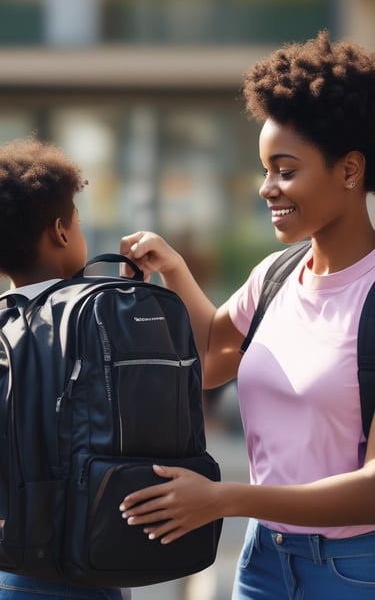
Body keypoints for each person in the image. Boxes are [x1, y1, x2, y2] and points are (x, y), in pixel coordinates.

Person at [119, 31, 375, 599]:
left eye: (284, 170)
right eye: (264, 170)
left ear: (350, 170)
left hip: (355, 570)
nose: (266, 188)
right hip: (263, 563)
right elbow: (210, 360)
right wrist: (175, 271)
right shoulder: (277, 273)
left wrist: (225, 498)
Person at [0, 137, 130, 600]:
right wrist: (131, 307)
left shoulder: (4, 321)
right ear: (60, 231)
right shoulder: (97, 317)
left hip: (10, 557)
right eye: (77, 220)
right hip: (81, 563)